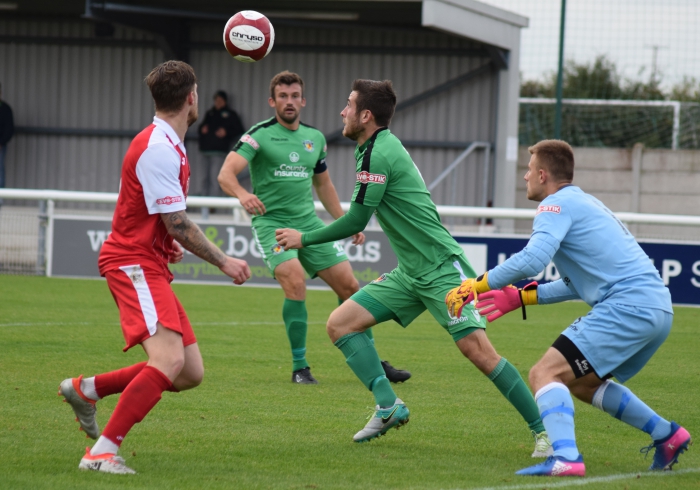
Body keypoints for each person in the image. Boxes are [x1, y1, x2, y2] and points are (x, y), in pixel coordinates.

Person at [275, 79, 552, 454]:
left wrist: (303, 238)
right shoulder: (373, 147)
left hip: (440, 269)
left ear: (366, 115)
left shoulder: (377, 154)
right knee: (340, 324)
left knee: (480, 353)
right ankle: (388, 405)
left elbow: (356, 221)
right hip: (410, 272)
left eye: (348, 105)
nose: (342, 112)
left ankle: (546, 434)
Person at [445, 139, 691, 477]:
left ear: (543, 175)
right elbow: (575, 283)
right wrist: (520, 297)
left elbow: (533, 259)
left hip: (628, 306)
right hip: (657, 310)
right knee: (583, 383)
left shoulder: (554, 206)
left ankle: (566, 458)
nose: (525, 178)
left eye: (529, 171)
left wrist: (477, 284)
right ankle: (668, 435)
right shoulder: (584, 202)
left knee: (543, 374)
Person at [57, 61, 251, 475]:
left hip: (148, 261)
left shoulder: (168, 142)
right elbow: (178, 222)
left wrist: (165, 246)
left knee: (188, 371)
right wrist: (224, 261)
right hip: (132, 263)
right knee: (167, 361)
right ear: (191, 98)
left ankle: (87, 389)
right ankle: (101, 453)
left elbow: (163, 222)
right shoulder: (160, 148)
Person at [218, 71, 410, 385]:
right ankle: (299, 367)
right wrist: (243, 194)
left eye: (295, 96)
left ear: (303, 101)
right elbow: (226, 173)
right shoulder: (258, 135)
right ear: (272, 101)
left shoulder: (315, 139)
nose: (289, 101)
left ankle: (372, 361)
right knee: (294, 280)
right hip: (273, 225)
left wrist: (343, 221)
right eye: (283, 96)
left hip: (308, 224)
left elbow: (324, 185)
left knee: (350, 286)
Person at [198, 90, 245, 196]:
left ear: (225, 101)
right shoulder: (210, 113)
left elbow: (239, 130)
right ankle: (204, 206)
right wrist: (202, 128)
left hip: (219, 152)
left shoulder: (230, 114)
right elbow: (200, 127)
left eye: (220, 100)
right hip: (205, 151)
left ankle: (213, 207)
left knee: (216, 179)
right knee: (204, 179)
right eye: (216, 100)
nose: (217, 102)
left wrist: (226, 132)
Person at [0, 82, 14, 206]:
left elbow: (9, 129)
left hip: (0, 147)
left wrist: (1, 142)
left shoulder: (5, 109)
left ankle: (0, 199)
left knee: (0, 172)